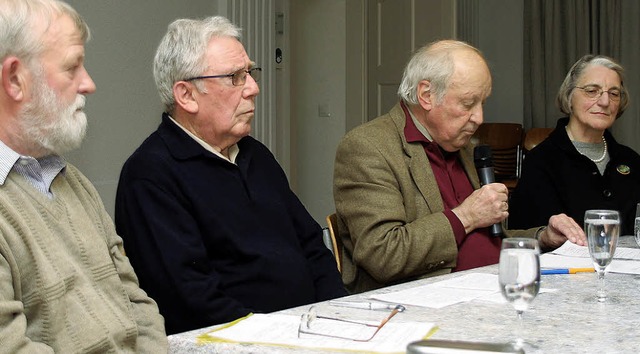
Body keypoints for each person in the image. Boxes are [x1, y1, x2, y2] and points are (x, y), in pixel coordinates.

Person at [115, 16, 346, 335]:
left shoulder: (254, 153)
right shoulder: (151, 175)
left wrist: (336, 314)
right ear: (187, 96)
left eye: (250, 73)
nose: (254, 88)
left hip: (309, 330)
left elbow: (311, 245)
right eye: (235, 77)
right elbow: (189, 300)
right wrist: (285, 334)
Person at [333, 40, 587, 294]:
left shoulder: (463, 147)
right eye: (468, 104)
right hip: (424, 304)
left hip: (499, 290)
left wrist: (543, 238)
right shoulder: (369, 147)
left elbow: (491, 238)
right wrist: (466, 216)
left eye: (482, 103)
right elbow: (383, 254)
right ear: (426, 96)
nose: (479, 118)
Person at [0, 0, 168, 352]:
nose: (88, 84)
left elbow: (137, 304)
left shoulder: (72, 181)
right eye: (72, 67)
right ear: (15, 79)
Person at [509, 55, 640, 235]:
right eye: (592, 91)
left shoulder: (632, 161)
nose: (604, 102)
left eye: (614, 93)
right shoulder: (541, 161)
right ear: (569, 96)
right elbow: (524, 235)